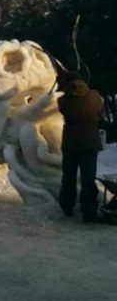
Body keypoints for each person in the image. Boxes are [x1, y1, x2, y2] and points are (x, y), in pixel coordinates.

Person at [57, 72, 104, 223]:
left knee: (68, 177)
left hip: (70, 144)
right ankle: (88, 211)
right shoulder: (93, 96)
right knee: (88, 178)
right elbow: (100, 110)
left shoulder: (62, 100)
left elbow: (64, 109)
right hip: (89, 144)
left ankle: (67, 206)